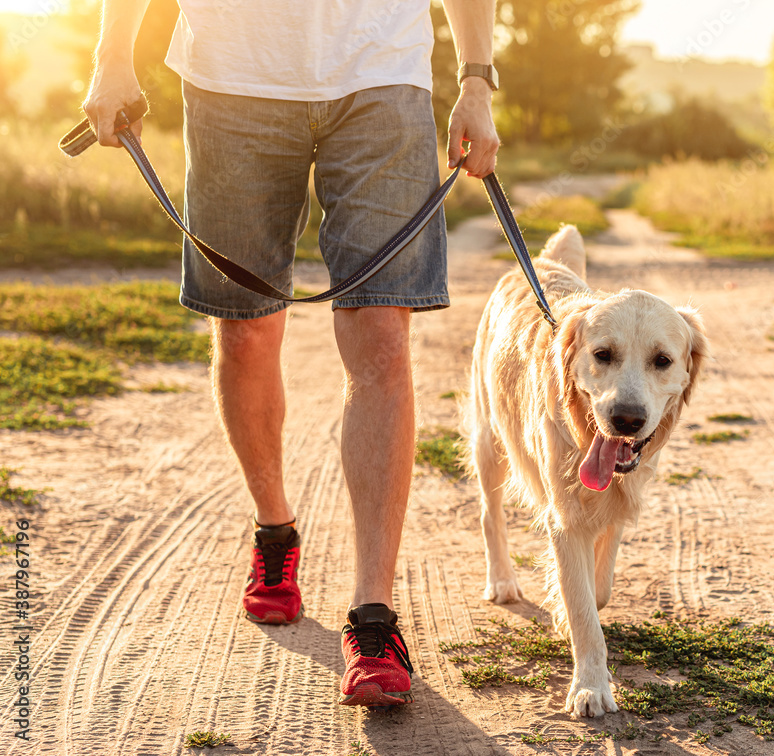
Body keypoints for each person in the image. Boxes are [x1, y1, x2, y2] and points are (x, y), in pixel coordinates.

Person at [84, 0, 500, 708]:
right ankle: (275, 529)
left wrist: (476, 80)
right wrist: (111, 56)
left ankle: (374, 617)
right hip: (232, 76)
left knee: (382, 335)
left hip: (383, 74)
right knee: (245, 328)